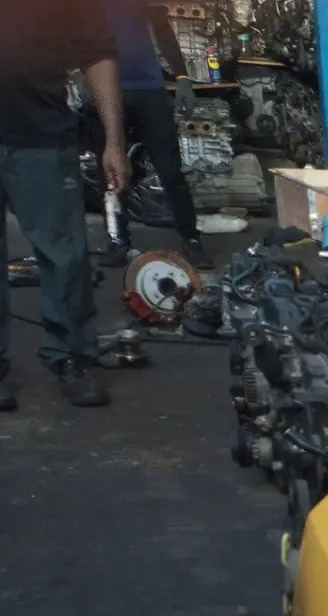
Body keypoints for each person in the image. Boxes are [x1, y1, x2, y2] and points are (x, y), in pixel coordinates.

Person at [0, 0, 129, 410]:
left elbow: (97, 55)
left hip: (42, 138)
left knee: (65, 257)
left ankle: (72, 356)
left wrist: (114, 141)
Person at [106, 0, 210, 268]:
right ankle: (117, 240)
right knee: (111, 171)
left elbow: (161, 27)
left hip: (147, 87)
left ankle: (191, 239)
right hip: (105, 90)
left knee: (170, 169)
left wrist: (182, 76)